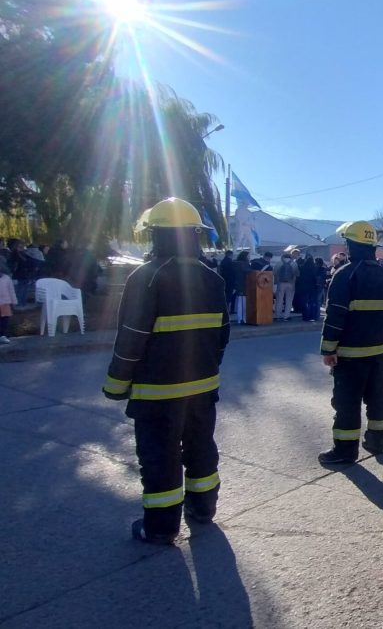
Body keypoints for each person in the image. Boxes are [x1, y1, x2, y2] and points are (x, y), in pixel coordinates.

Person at [101, 198, 230, 544]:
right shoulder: (212, 279)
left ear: (156, 234)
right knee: (202, 449)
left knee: (160, 457)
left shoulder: (146, 276)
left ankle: (160, 527)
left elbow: (131, 339)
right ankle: (203, 510)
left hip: (157, 394)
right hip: (203, 390)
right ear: (193, 235)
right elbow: (222, 336)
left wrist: (116, 386)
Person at [318, 221, 383, 466]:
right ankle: (377, 441)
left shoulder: (345, 274)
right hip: (378, 352)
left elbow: (335, 317)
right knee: (377, 399)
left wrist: (328, 349)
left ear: (351, 244)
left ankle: (345, 451)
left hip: (350, 356)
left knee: (347, 403)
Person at [274, 252, 298, 321]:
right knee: (289, 300)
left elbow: (274, 273)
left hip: (280, 283)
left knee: (279, 300)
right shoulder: (294, 263)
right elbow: (296, 274)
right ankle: (286, 316)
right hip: (291, 284)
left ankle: (278, 315)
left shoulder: (279, 263)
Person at [232, 251, 252, 324]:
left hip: (239, 284)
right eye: (248, 256)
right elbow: (248, 272)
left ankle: (240, 318)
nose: (249, 257)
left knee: (240, 302)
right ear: (245, 256)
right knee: (242, 303)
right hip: (243, 285)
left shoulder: (237, 263)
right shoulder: (243, 264)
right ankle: (242, 319)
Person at [0, 255, 16, 343]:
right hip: (5, 302)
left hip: (5, 303)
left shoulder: (7, 278)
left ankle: (2, 335)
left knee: (5, 320)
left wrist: (14, 302)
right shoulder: (7, 278)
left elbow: (11, 291)